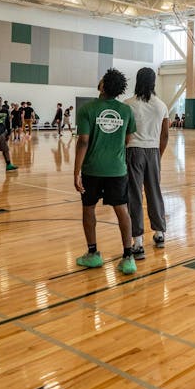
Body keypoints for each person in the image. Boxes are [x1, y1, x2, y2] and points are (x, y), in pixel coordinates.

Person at [74, 69, 138, 274]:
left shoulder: (87, 109)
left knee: (89, 208)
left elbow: (83, 141)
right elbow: (128, 139)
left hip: (92, 169)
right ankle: (128, 257)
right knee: (122, 210)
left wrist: (76, 172)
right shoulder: (126, 111)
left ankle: (93, 254)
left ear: (103, 85)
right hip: (117, 170)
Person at [123, 68, 169, 259]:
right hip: (153, 151)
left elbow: (125, 134)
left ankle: (138, 242)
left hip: (133, 150)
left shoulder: (128, 104)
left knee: (134, 195)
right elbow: (165, 135)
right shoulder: (161, 105)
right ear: (154, 82)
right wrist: (158, 155)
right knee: (154, 192)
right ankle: (159, 234)